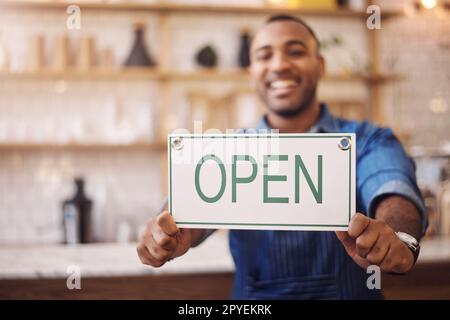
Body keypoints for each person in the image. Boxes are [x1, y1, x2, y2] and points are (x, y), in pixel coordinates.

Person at [136, 15, 427, 299]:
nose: (279, 64)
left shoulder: (369, 140)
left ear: (320, 65)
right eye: (264, 56)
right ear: (251, 72)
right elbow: (194, 207)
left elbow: (392, 185)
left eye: (296, 52)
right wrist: (171, 232)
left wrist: (397, 235)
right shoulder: (230, 149)